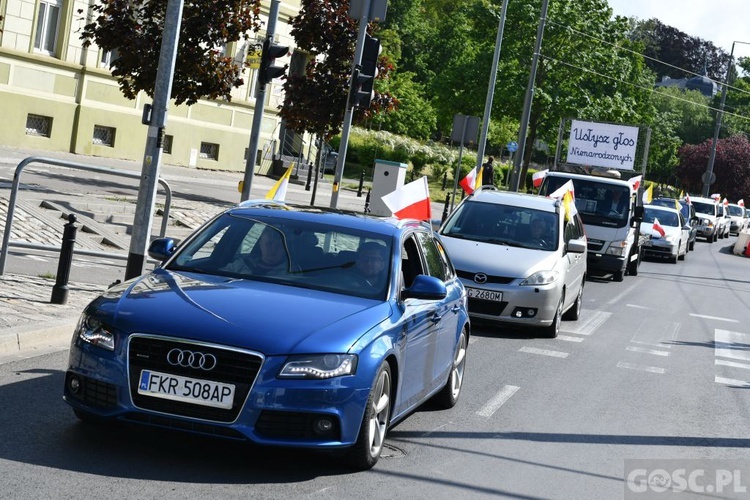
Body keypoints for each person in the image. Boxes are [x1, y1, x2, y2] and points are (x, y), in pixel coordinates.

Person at [222, 228, 289, 275]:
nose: (273, 250)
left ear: (285, 249)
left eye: (278, 246)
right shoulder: (240, 265)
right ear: (261, 245)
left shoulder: (292, 274)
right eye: (268, 244)